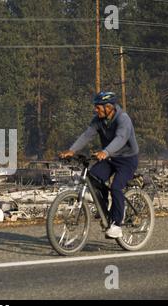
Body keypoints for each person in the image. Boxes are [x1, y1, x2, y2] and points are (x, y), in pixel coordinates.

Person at [59, 91, 139, 238]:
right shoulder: (98, 120)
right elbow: (87, 135)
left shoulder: (123, 119)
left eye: (98, 107)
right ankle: (106, 211)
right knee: (93, 178)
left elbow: (120, 138)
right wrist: (72, 150)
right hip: (110, 158)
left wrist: (105, 151)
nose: (95, 110)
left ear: (108, 107)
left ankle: (116, 224)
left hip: (127, 160)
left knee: (116, 187)